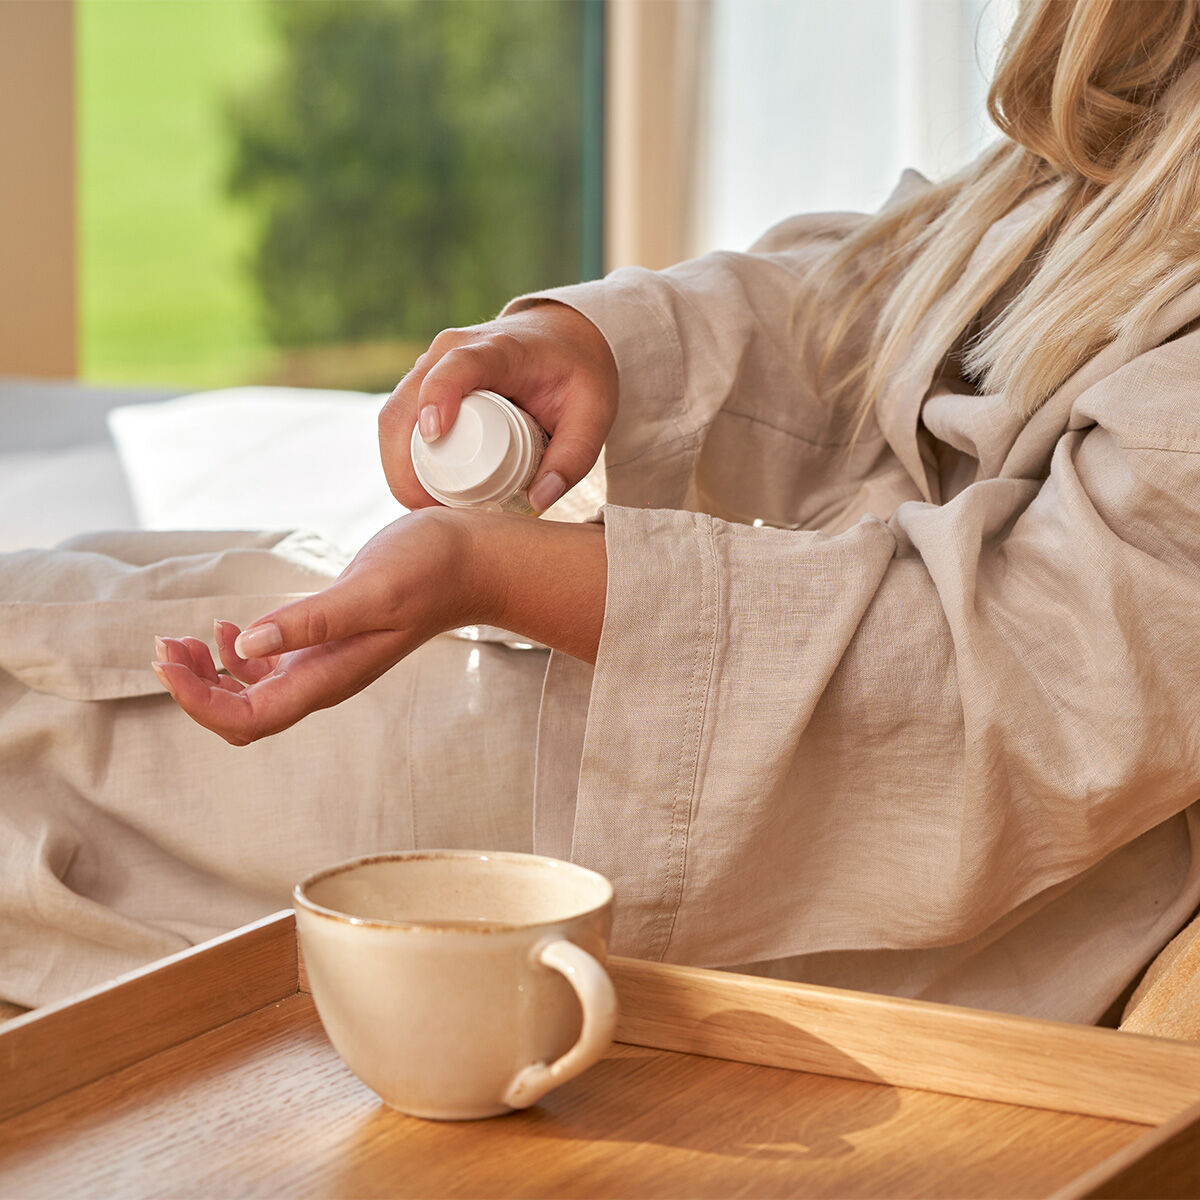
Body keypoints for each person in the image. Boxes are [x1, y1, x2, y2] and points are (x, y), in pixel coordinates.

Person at [10, 0, 1200, 1022]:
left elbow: (1045, 680)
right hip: (753, 685)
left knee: (57, 735)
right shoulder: (1150, 102)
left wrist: (509, 575)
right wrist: (601, 344)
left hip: (879, 856)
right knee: (100, 586)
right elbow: (902, 295)